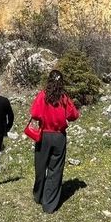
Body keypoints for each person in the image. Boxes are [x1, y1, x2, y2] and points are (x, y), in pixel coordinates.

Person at [29, 70, 80, 213]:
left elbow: (34, 113)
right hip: (59, 136)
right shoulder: (64, 98)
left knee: (40, 167)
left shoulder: (42, 95)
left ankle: (38, 195)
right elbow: (74, 115)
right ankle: (49, 203)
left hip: (44, 135)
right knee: (55, 169)